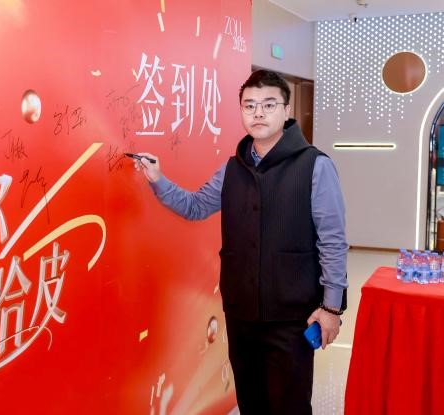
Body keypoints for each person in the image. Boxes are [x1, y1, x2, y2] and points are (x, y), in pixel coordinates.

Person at [133, 69, 348, 415]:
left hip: (292, 316)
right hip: (241, 312)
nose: (258, 113)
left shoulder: (316, 166)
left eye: (268, 104)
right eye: (249, 105)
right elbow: (195, 206)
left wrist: (332, 309)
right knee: (252, 403)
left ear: (286, 111)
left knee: (290, 407)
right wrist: (158, 179)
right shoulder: (232, 168)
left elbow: (333, 242)